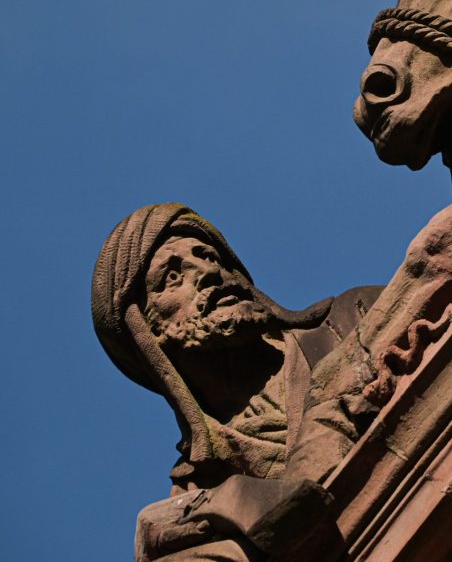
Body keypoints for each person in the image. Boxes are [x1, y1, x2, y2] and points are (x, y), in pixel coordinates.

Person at [92, 203, 379, 560]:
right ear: (146, 335)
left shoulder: (352, 318)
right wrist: (230, 500)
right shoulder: (197, 489)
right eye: (171, 277)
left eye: (210, 256)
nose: (208, 272)